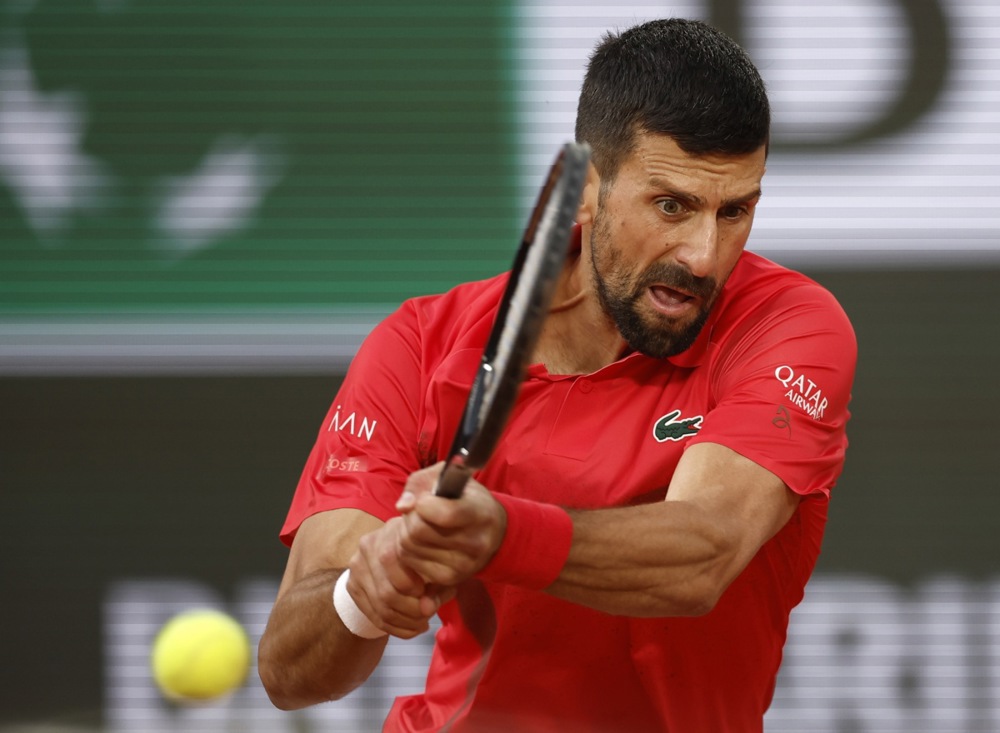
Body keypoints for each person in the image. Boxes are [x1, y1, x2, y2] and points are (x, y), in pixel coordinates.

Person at [258, 17, 857, 733]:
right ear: (585, 188)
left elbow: (705, 550)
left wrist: (499, 534)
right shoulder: (420, 347)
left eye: (736, 211)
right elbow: (288, 670)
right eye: (672, 205)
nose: (703, 255)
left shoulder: (787, 327)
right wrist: (365, 588)